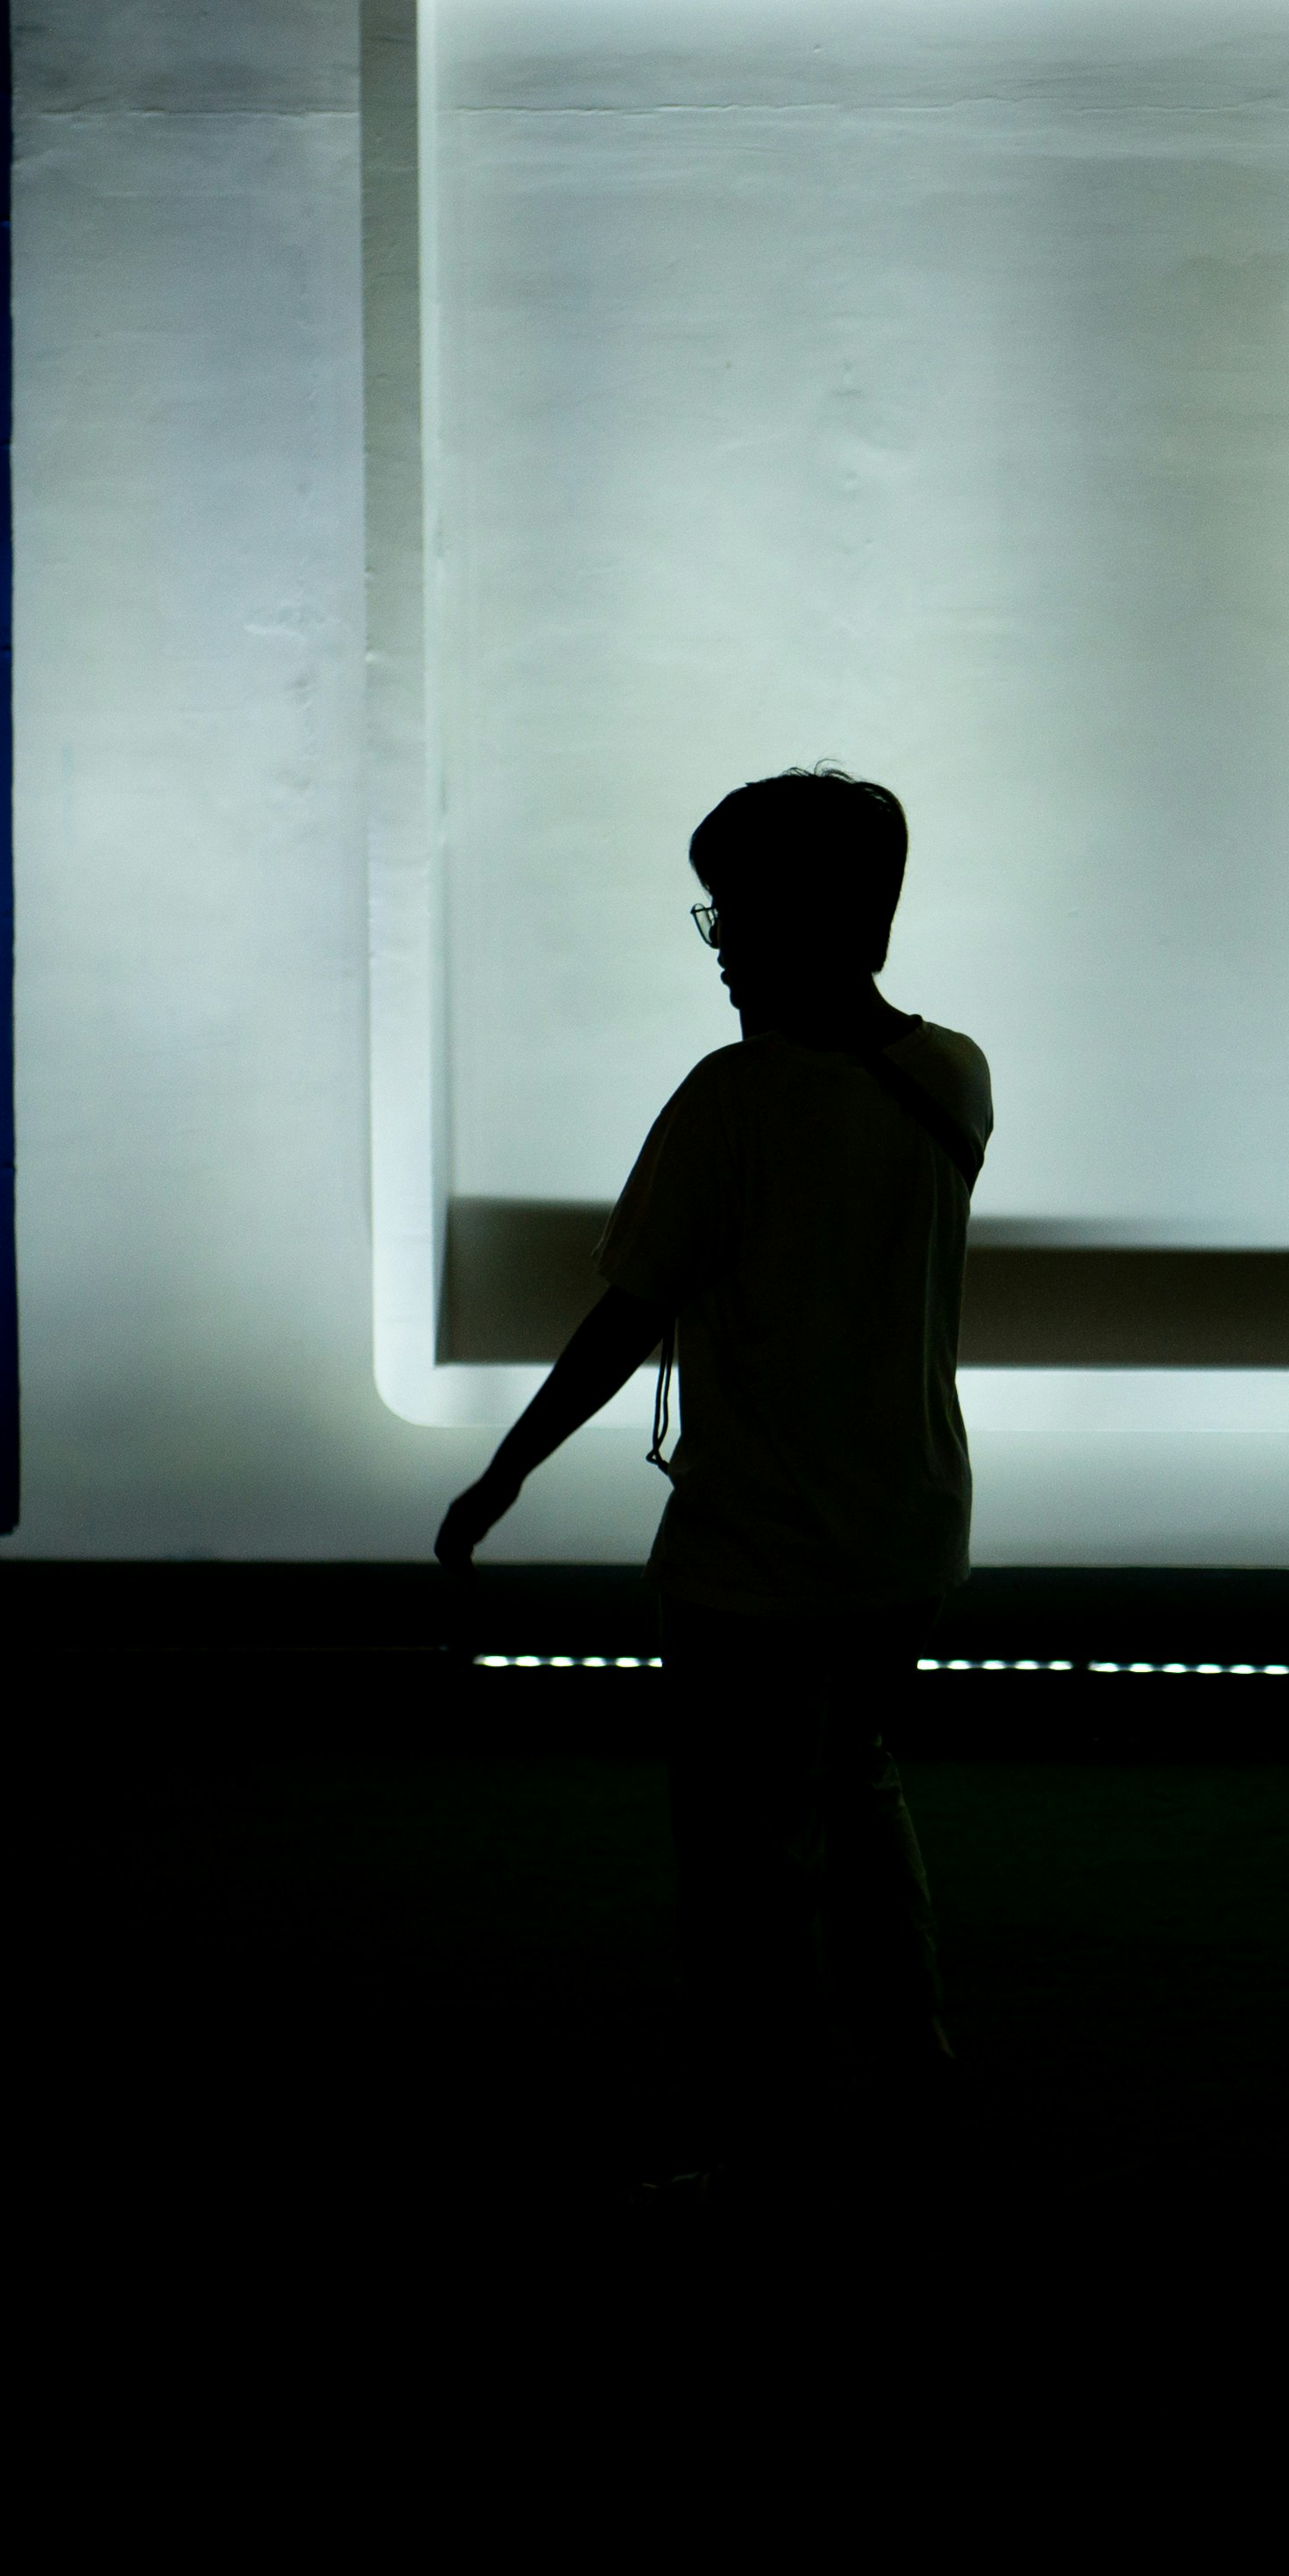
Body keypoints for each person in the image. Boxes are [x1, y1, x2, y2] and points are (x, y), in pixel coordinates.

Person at [434, 768, 993, 2203]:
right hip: (910, 1527)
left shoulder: (731, 1101)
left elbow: (626, 1318)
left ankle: (771, 2138)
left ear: (803, 917)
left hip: (757, 1548)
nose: (723, 946)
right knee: (858, 1784)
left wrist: (504, 1470)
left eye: (734, 913)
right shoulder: (954, 1075)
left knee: (747, 1863)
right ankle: (916, 2067)